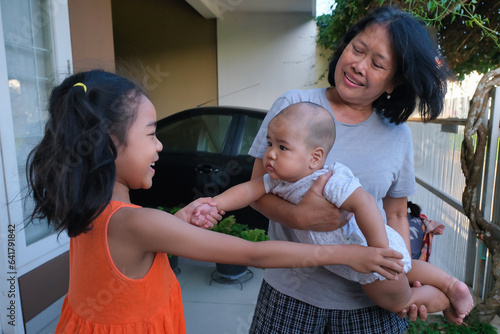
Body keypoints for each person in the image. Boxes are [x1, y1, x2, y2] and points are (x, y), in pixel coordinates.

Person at [25, 69, 406, 333]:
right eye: (151, 135)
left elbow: (139, 243)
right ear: (109, 145)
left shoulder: (88, 210)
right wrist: (347, 255)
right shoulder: (137, 224)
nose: (160, 145)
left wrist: (179, 220)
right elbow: (253, 254)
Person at [244, 6, 467, 334]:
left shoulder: (397, 134)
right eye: (357, 49)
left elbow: (397, 216)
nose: (358, 66)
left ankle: (446, 291)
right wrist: (301, 217)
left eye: (377, 64)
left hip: (370, 307)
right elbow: (256, 190)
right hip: (290, 294)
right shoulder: (294, 107)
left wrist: (403, 273)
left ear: (393, 82)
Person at [192, 102, 473, 323]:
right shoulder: (274, 180)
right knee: (406, 267)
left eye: (282, 147)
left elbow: (363, 203)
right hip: (365, 257)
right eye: (269, 143)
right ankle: (449, 284)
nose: (270, 154)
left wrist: (378, 251)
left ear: (315, 157)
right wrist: (215, 204)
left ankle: (446, 296)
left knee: (398, 301)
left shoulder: (329, 180)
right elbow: (246, 191)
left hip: (371, 254)